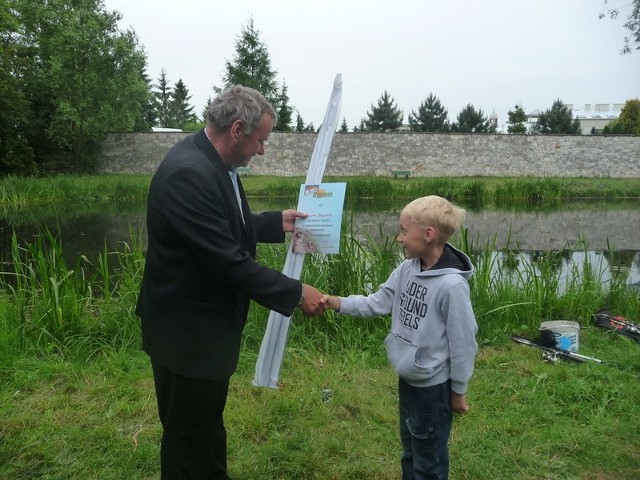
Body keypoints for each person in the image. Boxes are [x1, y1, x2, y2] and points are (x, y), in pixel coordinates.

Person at [136, 85, 324, 480]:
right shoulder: (190, 173)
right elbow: (227, 261)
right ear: (238, 129)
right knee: (189, 443)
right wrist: (295, 292)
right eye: (261, 140)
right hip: (186, 337)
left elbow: (220, 228)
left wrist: (275, 222)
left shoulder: (213, 163)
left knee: (204, 431)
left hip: (202, 333)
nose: (262, 150)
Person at [321, 195, 478, 480]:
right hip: (408, 377)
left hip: (432, 389)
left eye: (405, 231)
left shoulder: (452, 286)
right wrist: (335, 302)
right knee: (410, 451)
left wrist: (459, 390)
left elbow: (463, 343)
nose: (399, 238)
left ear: (428, 235)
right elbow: (377, 302)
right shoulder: (407, 268)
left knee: (429, 462)